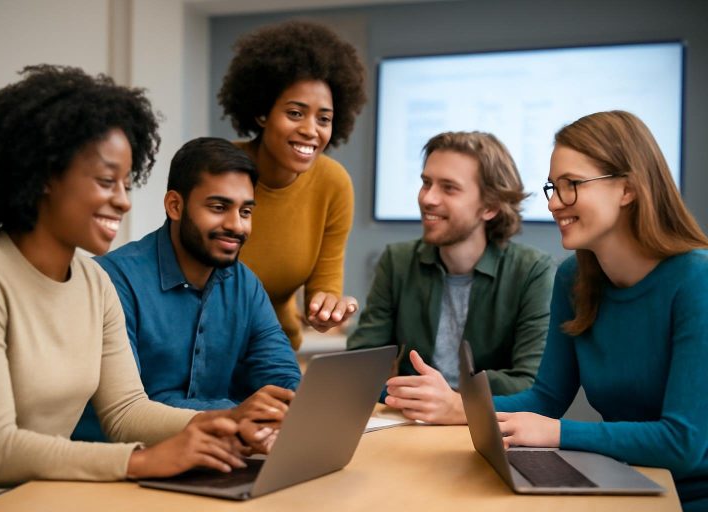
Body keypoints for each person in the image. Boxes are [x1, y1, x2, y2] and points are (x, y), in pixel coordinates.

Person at [0, 65, 262, 511]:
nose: (125, 200)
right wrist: (141, 460)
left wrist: (227, 423)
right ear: (46, 176)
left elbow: (127, 410)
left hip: (54, 495)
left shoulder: (94, 279)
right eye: (106, 181)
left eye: (127, 184)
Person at [486, 111, 708, 511]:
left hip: (687, 496)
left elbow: (683, 443)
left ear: (628, 189)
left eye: (571, 185)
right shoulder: (574, 277)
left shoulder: (696, 281)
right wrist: (458, 407)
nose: (554, 203)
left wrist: (557, 434)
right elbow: (545, 399)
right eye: (554, 186)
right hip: (622, 481)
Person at [73, 137, 301, 442]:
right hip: (119, 466)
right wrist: (235, 415)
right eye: (219, 207)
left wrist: (299, 404)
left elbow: (281, 377)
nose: (237, 225)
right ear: (175, 206)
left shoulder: (245, 285)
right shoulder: (112, 280)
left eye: (246, 212)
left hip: (210, 458)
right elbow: (132, 411)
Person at [347, 131, 554, 425]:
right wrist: (409, 396)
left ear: (490, 207)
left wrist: (451, 401)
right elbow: (358, 368)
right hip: (410, 424)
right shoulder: (397, 261)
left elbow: (533, 385)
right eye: (426, 183)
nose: (428, 198)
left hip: (492, 432)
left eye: (449, 188)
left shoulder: (532, 271)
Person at [217, 20, 367, 349]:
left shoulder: (333, 184)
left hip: (275, 351)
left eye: (323, 118)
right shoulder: (218, 170)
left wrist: (327, 310)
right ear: (262, 114)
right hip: (203, 349)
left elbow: (324, 286)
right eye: (296, 113)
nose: (311, 130)